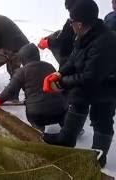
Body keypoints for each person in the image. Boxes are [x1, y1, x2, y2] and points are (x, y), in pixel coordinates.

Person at [42, 0, 116, 168]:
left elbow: (89, 78)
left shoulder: (104, 42)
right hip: (95, 78)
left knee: (102, 116)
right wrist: (59, 73)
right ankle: (66, 139)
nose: (70, 24)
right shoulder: (84, 35)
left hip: (109, 84)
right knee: (77, 98)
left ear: (80, 24)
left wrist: (61, 84)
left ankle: (98, 156)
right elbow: (74, 58)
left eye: (71, 21)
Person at [0, 43, 67, 132]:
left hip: (37, 114)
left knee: (36, 119)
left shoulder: (22, 72)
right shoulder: (49, 66)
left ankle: (39, 130)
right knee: (62, 115)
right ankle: (67, 126)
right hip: (59, 110)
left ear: (23, 58)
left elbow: (10, 90)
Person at [38, 0, 89, 67]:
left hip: (72, 66)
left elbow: (63, 41)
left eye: (70, 9)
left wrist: (48, 43)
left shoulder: (73, 24)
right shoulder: (90, 21)